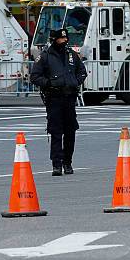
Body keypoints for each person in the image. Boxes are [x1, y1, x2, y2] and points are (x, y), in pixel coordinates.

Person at [30, 28, 86, 176]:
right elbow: (35, 76)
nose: (64, 41)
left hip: (69, 98)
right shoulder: (45, 56)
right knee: (55, 132)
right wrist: (48, 83)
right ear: (54, 40)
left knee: (70, 131)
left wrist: (75, 81)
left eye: (65, 38)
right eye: (61, 39)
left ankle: (68, 162)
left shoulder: (71, 55)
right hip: (54, 98)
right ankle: (56, 164)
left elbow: (82, 71)